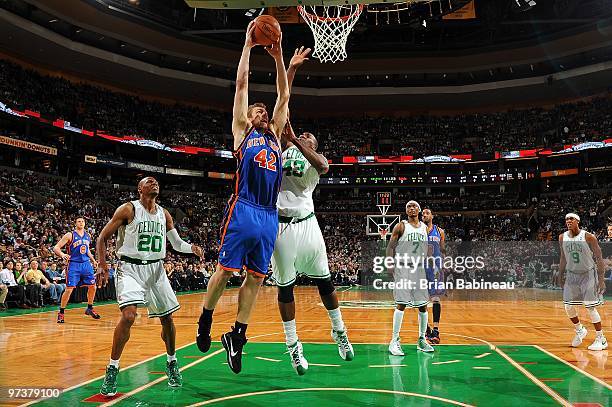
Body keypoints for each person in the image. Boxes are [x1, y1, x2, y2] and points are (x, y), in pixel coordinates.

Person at [196, 20, 290, 375]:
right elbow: (241, 84)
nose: (263, 112)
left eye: (264, 111)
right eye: (257, 111)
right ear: (248, 117)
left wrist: (279, 58)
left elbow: (283, 95)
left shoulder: (277, 136)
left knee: (256, 278)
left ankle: (237, 336)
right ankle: (205, 319)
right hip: (245, 208)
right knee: (224, 272)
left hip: (269, 214)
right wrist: (248, 47)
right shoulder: (241, 131)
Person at [96, 177, 203, 396]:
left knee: (168, 319)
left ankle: (172, 363)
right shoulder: (128, 209)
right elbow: (102, 238)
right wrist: (102, 265)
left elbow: (176, 244)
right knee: (128, 316)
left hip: (156, 270)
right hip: (130, 268)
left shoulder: (164, 214)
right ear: (140, 189)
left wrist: (191, 248)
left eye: (156, 182)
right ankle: (112, 368)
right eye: (149, 181)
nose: (154, 183)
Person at [387, 201, 435, 356]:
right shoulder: (400, 226)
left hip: (419, 268)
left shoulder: (424, 228)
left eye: (414, 206)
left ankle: (421, 339)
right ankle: (394, 341)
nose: (411, 208)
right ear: (406, 211)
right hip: (403, 267)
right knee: (401, 304)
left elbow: (426, 248)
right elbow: (390, 247)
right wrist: (389, 264)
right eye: (409, 206)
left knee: (423, 306)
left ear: (419, 210)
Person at [556, 213, 607, 351]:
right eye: (566, 219)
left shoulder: (588, 237)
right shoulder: (562, 237)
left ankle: (601, 338)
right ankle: (580, 330)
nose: (568, 221)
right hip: (572, 275)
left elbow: (599, 257)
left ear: (578, 221)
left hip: (588, 274)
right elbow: (563, 257)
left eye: (571, 219)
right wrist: (560, 274)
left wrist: (601, 280)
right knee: (568, 307)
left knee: (590, 306)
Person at [53, 217, 100, 323]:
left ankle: (90, 308)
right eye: (79, 221)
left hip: (86, 264)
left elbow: (87, 250)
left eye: (83, 221)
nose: (81, 223)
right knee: (69, 289)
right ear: (75, 223)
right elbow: (56, 247)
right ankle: (61, 312)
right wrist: (62, 254)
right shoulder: (70, 235)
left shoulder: (88, 236)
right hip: (74, 264)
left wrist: (93, 260)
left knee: (93, 286)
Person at [421, 208, 446, 344]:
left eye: (427, 213)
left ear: (432, 216)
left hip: (435, 268)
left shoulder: (440, 231)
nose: (424, 215)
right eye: (423, 214)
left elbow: (442, 249)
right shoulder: (418, 231)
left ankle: (436, 330)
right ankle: (426, 329)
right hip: (422, 268)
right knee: (420, 300)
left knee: (436, 298)